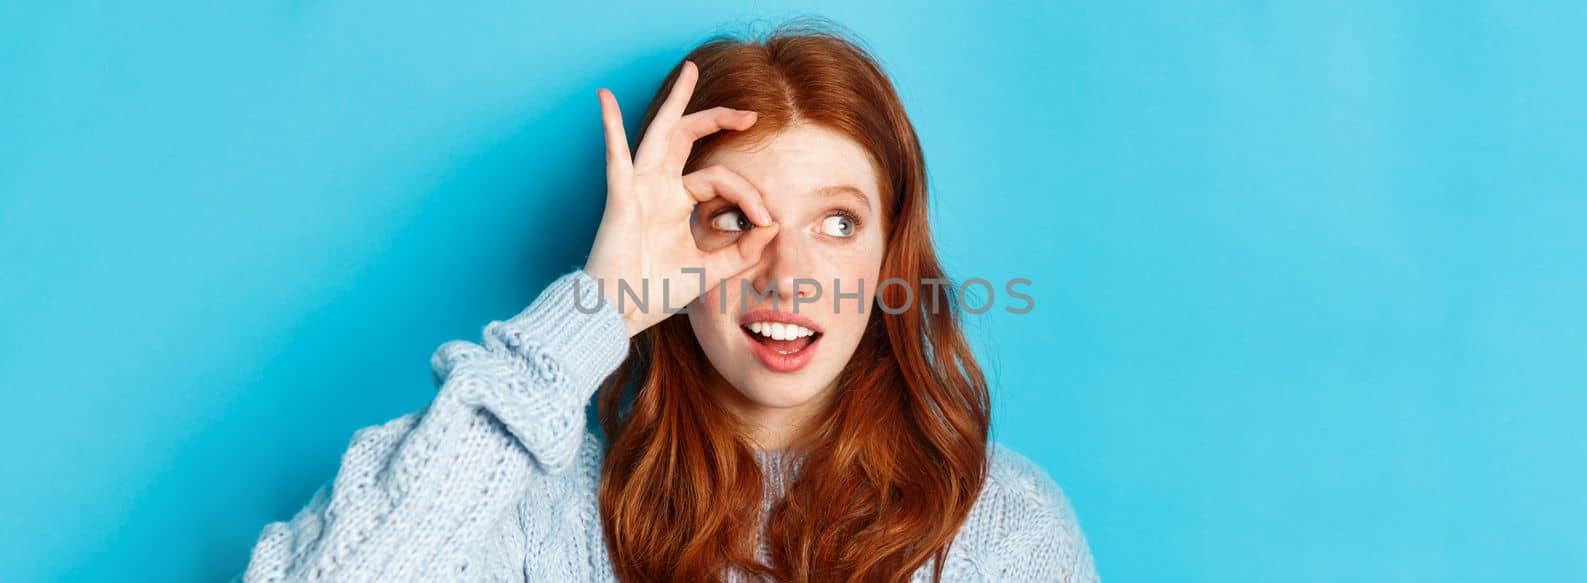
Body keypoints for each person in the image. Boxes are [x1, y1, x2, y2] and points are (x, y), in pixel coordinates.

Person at [242, 21, 1098, 582]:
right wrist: (599, 304)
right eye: (734, 217)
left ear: (888, 257)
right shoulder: (537, 511)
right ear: (671, 243)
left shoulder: (1001, 530)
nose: (789, 271)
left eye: (838, 222)